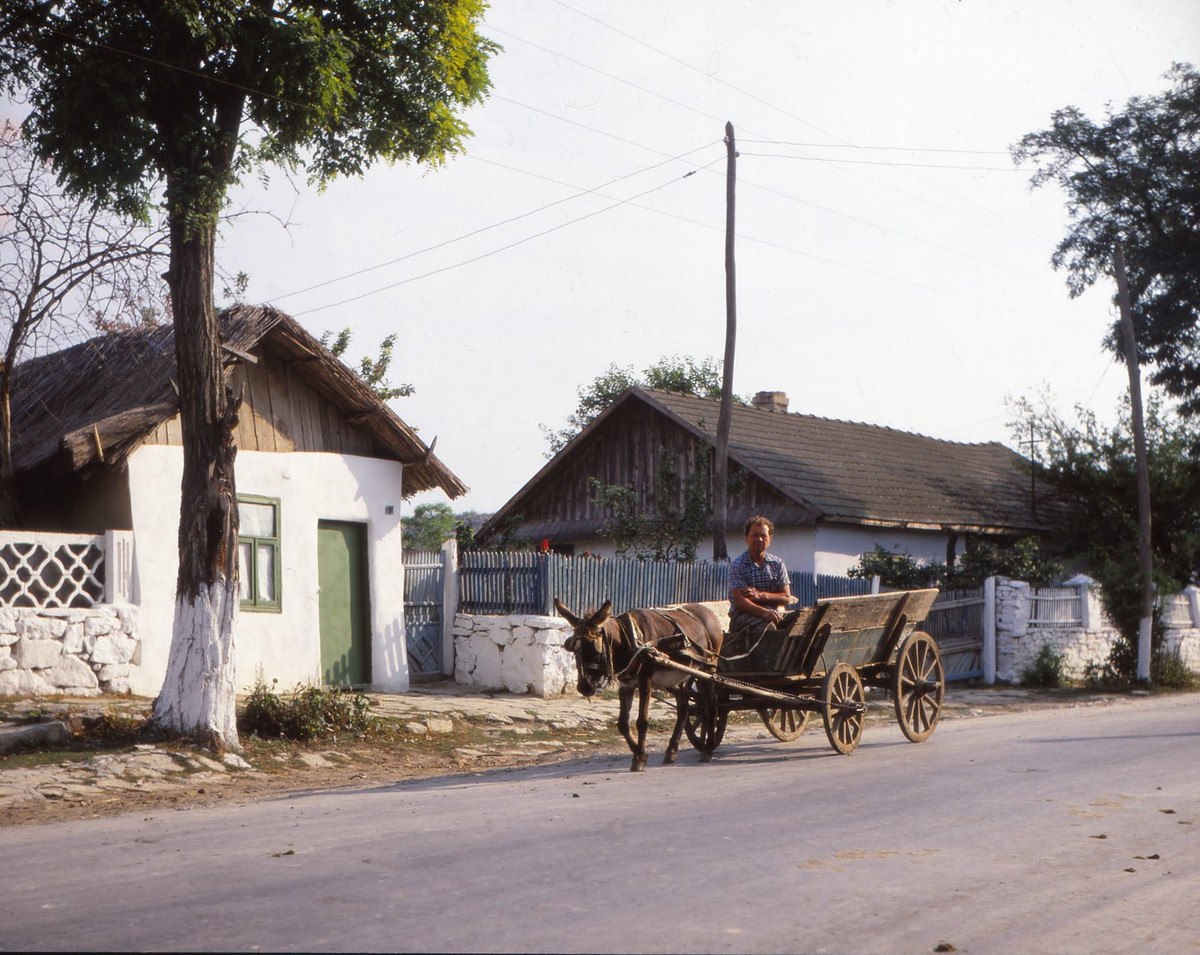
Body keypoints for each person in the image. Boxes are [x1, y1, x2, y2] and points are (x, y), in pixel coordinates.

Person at [728, 516, 798, 640]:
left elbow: (786, 598)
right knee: (767, 627)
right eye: (755, 535)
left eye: (763, 536)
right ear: (746, 538)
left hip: (773, 614)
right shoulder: (738, 565)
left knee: (800, 620)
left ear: (769, 539)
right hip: (742, 617)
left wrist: (760, 596)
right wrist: (764, 613)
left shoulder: (777, 564)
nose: (759, 539)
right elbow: (740, 601)